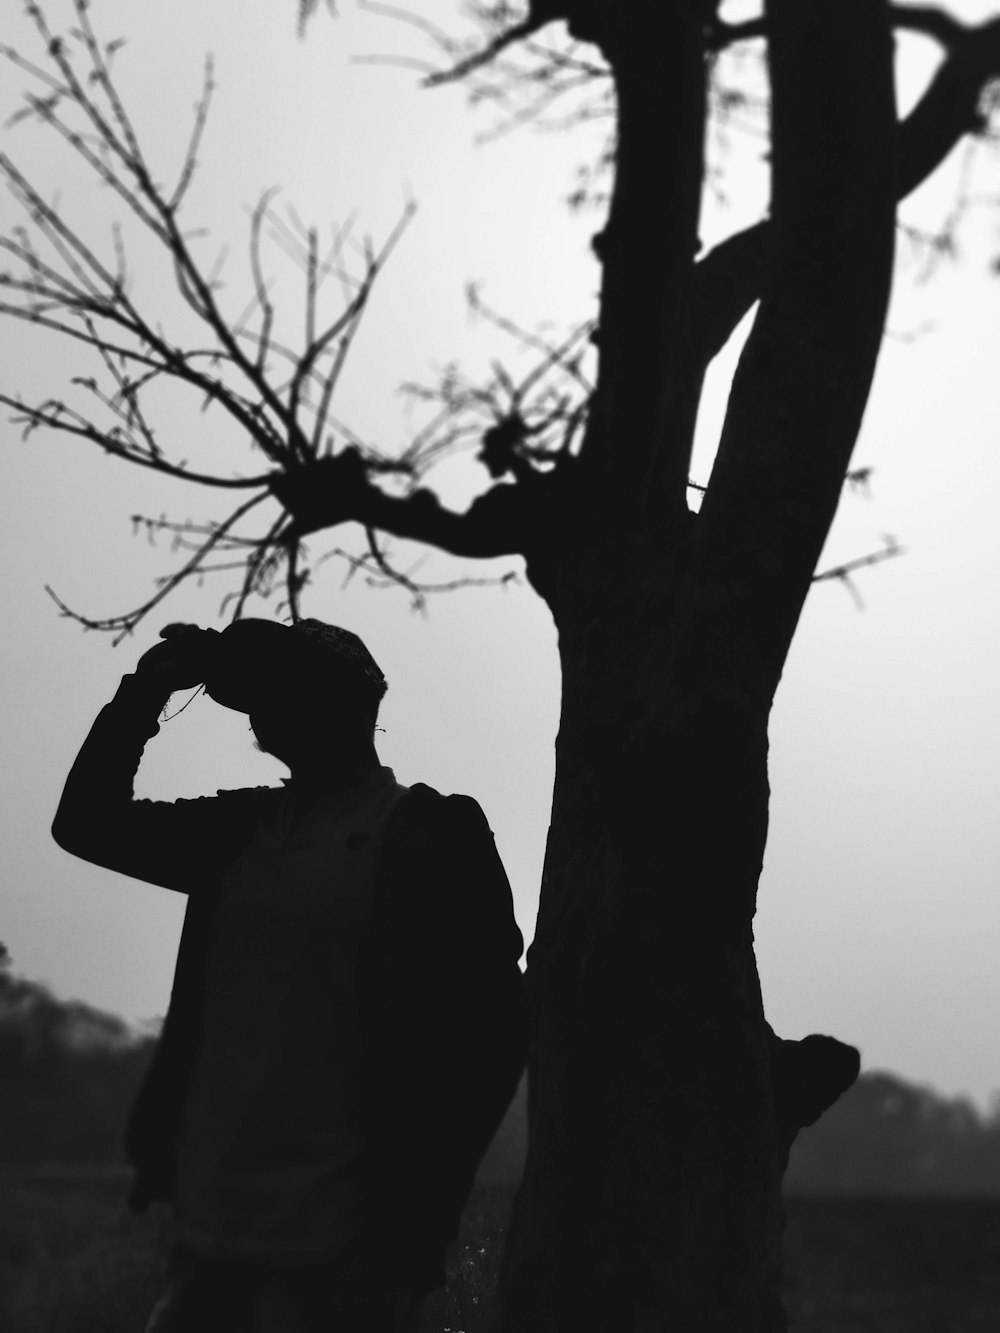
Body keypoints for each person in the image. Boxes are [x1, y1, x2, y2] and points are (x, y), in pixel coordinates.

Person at [51, 617, 528, 1332]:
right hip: (209, 1238)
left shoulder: (432, 835)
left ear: (341, 707)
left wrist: (415, 1238)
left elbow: (493, 1036)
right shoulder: (241, 829)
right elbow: (87, 822)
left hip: (346, 1256)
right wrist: (144, 693)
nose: (261, 715)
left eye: (278, 693)